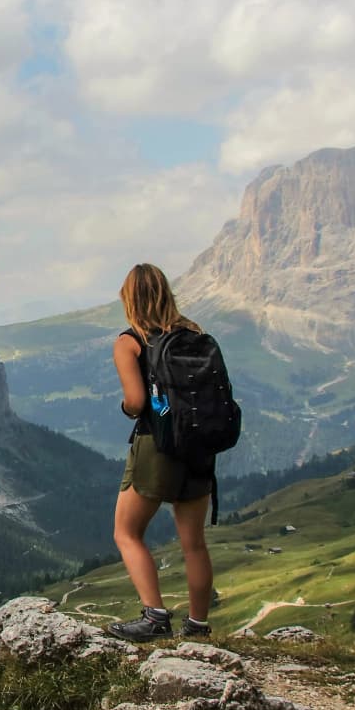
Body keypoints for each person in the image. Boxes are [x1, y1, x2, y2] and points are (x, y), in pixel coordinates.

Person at [106, 262, 216, 642]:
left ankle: (154, 616)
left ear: (129, 299)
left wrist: (125, 407)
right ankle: (198, 626)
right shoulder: (194, 333)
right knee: (194, 543)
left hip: (158, 446)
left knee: (127, 531)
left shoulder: (129, 341)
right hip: (199, 447)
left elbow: (137, 403)